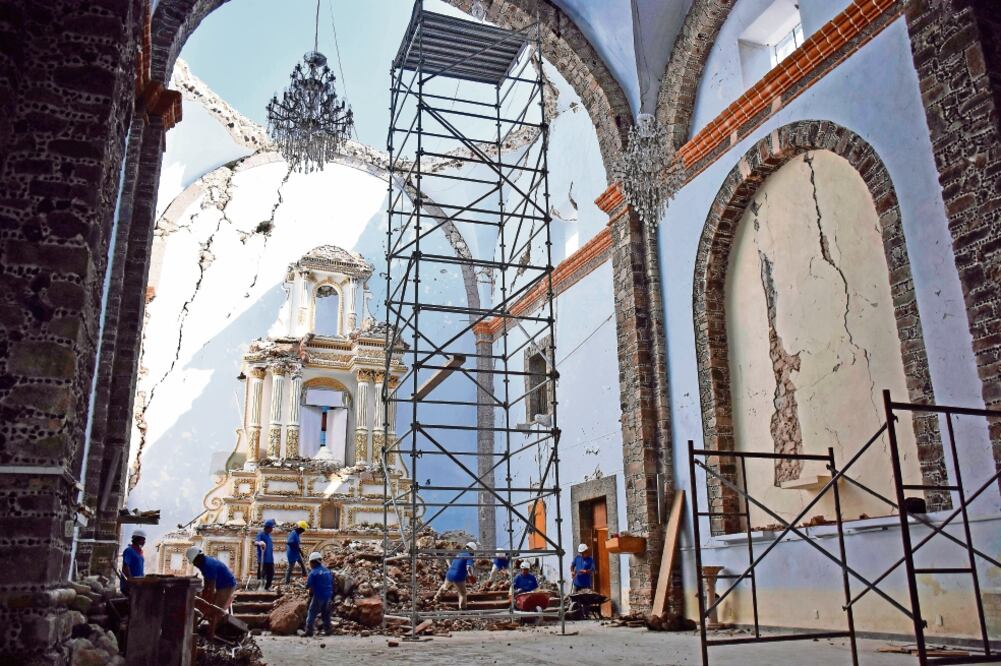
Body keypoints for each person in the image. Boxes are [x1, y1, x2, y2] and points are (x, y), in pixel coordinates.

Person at [186, 546, 237, 640]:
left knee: (215, 610)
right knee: (211, 608)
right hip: (221, 585)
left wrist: (205, 599)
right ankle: (212, 629)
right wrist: (204, 595)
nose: (194, 565)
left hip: (227, 585)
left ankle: (211, 635)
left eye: (194, 562)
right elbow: (207, 581)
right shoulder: (204, 563)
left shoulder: (208, 565)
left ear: (197, 558)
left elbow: (211, 587)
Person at [432, 541, 477, 610]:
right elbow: (468, 568)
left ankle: (435, 599)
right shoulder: (469, 556)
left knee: (444, 586)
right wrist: (471, 576)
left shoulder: (460, 553)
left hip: (450, 574)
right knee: (462, 593)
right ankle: (462, 609)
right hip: (458, 577)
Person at [303, 551, 334, 637]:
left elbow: (308, 586)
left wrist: (309, 592)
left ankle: (309, 631)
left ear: (312, 562)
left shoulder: (313, 573)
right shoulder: (327, 571)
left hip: (318, 596)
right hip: (328, 595)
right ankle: (328, 630)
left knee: (312, 612)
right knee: (326, 613)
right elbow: (331, 582)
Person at [120, 529, 146, 594]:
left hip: (138, 583)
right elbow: (126, 567)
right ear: (136, 540)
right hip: (130, 585)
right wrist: (131, 580)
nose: (144, 542)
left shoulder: (140, 552)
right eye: (142, 540)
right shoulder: (129, 551)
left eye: (144, 540)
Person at [284, 520, 308, 585]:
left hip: (296, 553)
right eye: (303, 530)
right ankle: (286, 583)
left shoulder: (297, 534)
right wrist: (297, 547)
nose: (303, 532)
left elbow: (297, 545)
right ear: (300, 528)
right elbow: (289, 542)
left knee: (303, 566)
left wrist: (301, 552)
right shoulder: (293, 533)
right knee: (290, 568)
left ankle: (305, 578)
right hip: (292, 553)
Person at [254, 518, 276, 590]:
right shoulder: (261, 533)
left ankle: (267, 587)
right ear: (268, 528)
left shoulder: (269, 536)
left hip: (269, 559)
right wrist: (260, 543)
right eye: (271, 528)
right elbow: (255, 542)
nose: (272, 530)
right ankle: (260, 588)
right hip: (263, 559)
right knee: (261, 574)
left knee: (270, 573)